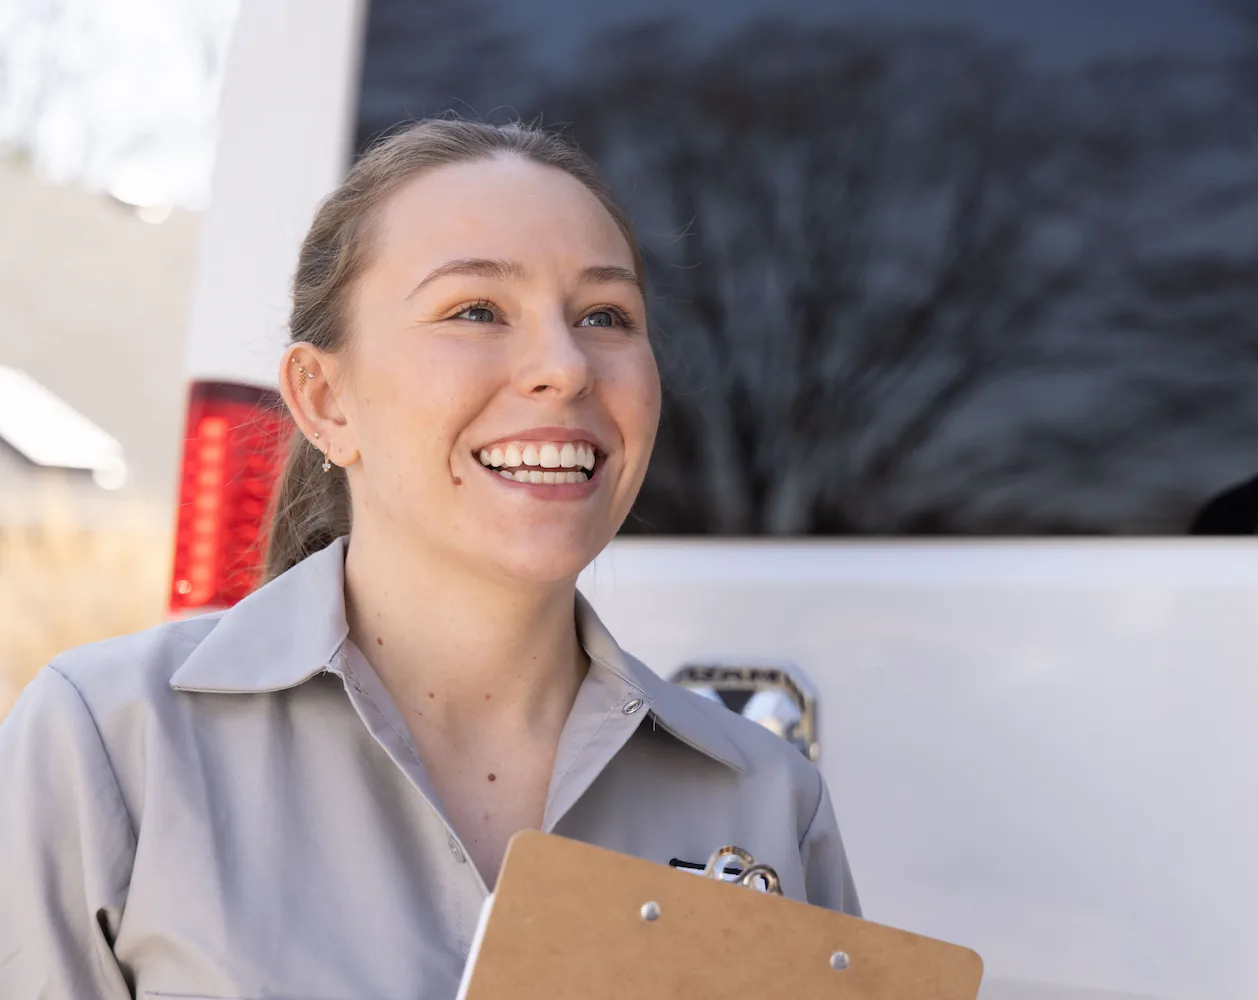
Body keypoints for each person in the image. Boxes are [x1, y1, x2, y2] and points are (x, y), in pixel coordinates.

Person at [0, 119, 859, 999]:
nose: (564, 368)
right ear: (324, 399)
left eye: (606, 315)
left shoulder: (769, 802)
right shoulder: (106, 743)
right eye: (476, 311)